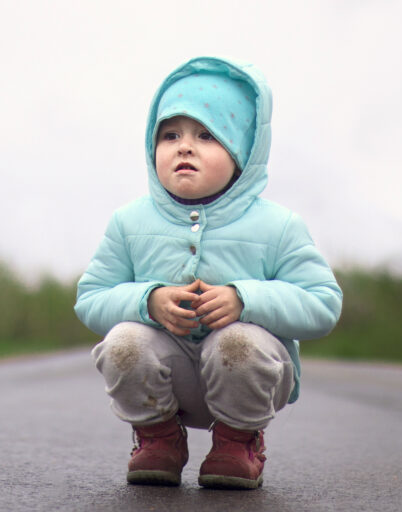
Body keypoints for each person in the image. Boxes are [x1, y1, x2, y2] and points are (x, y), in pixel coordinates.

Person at [74, 56, 343, 490]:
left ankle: (237, 444)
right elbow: (91, 297)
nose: (184, 146)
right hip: (166, 380)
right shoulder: (129, 222)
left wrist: (245, 299)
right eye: (170, 135)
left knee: (238, 340)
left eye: (206, 135)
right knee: (124, 341)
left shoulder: (278, 226)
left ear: (241, 152)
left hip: (246, 377)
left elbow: (323, 303)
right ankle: (159, 439)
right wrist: (149, 300)